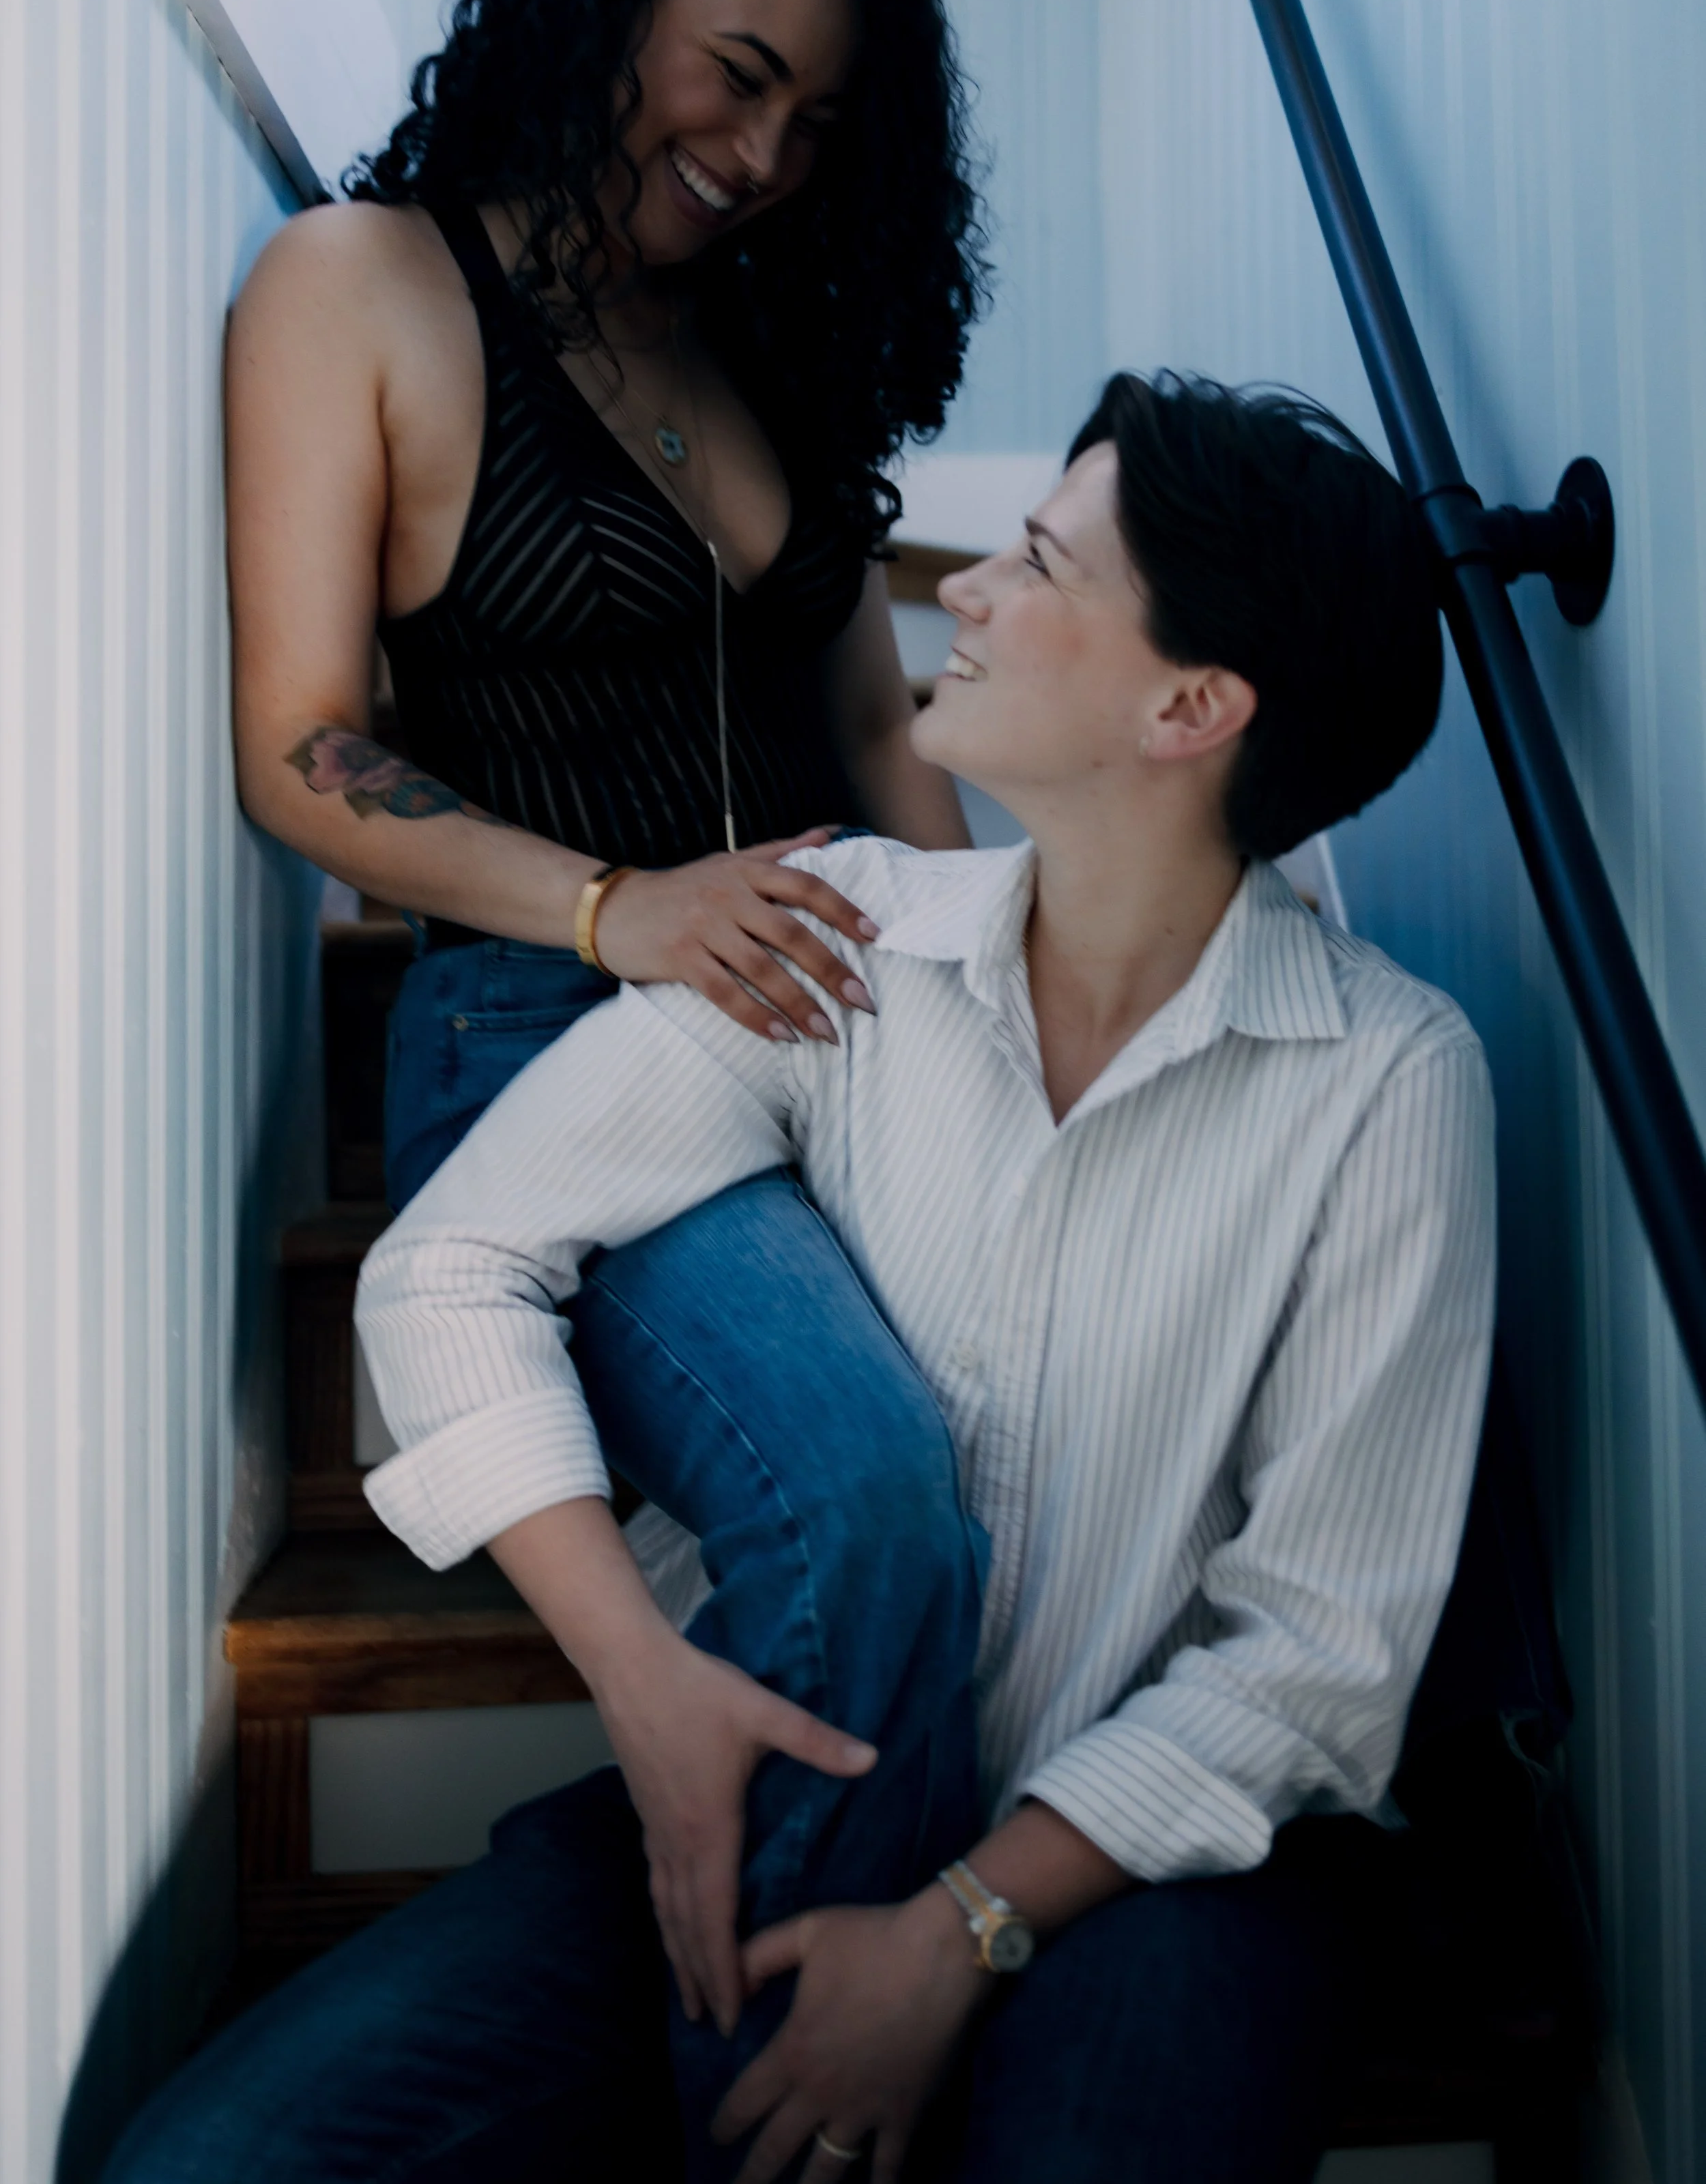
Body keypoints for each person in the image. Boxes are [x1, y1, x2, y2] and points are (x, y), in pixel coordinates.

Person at [109, 373, 1493, 2184]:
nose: (967, 592)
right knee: (208, 2160)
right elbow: (450, 1258)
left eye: (1035, 560)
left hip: (1159, 1868)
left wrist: (952, 1931)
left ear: (1189, 705)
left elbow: (1317, 1656)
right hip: (764, 1784)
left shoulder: (1389, 1075)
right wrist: (645, 1678)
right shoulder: (840, 930)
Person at [227, 0, 982, 1212]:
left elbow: (877, 726)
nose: (760, 154)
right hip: (541, 1023)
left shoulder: (776, 347)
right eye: (738, 76)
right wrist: (615, 902)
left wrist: (992, 998)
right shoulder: (365, 283)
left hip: (837, 1024)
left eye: (814, 122)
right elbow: (301, 746)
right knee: (860, 1440)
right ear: (602, 5)